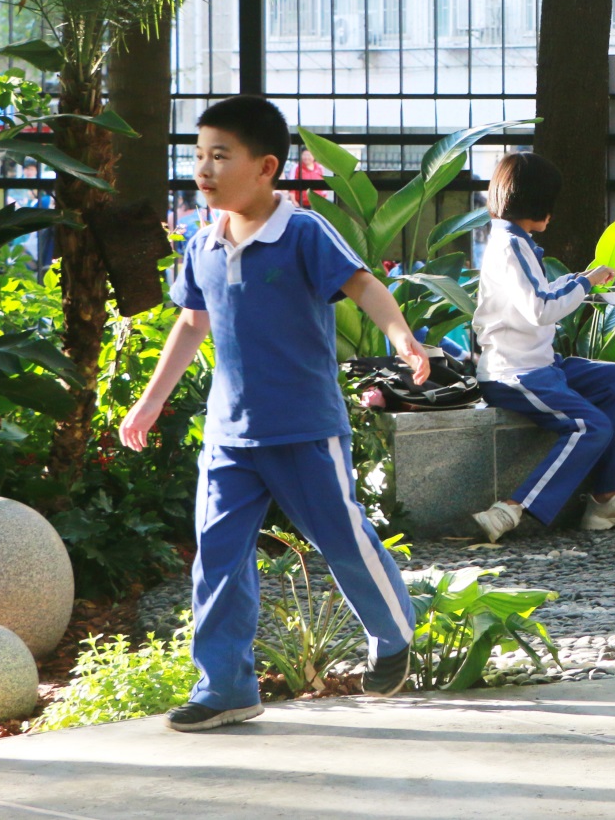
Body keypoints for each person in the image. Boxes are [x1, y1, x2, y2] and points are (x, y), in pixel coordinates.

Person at [118, 97, 426, 732]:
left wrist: (401, 338)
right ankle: (225, 685)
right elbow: (191, 323)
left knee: (341, 538)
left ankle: (392, 635)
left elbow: (363, 284)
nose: (202, 168)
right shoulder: (202, 244)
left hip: (305, 428)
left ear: (265, 167)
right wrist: (150, 402)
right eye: (198, 155)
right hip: (228, 436)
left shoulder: (304, 233)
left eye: (219, 156)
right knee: (218, 557)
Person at [467, 152, 615, 543]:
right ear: (536, 202)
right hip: (515, 373)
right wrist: (585, 284)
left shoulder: (513, 240)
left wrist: (582, 278)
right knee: (590, 426)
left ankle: (607, 498)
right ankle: (511, 509)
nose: (552, 214)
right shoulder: (510, 245)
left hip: (540, 364)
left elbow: (538, 294)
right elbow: (541, 309)